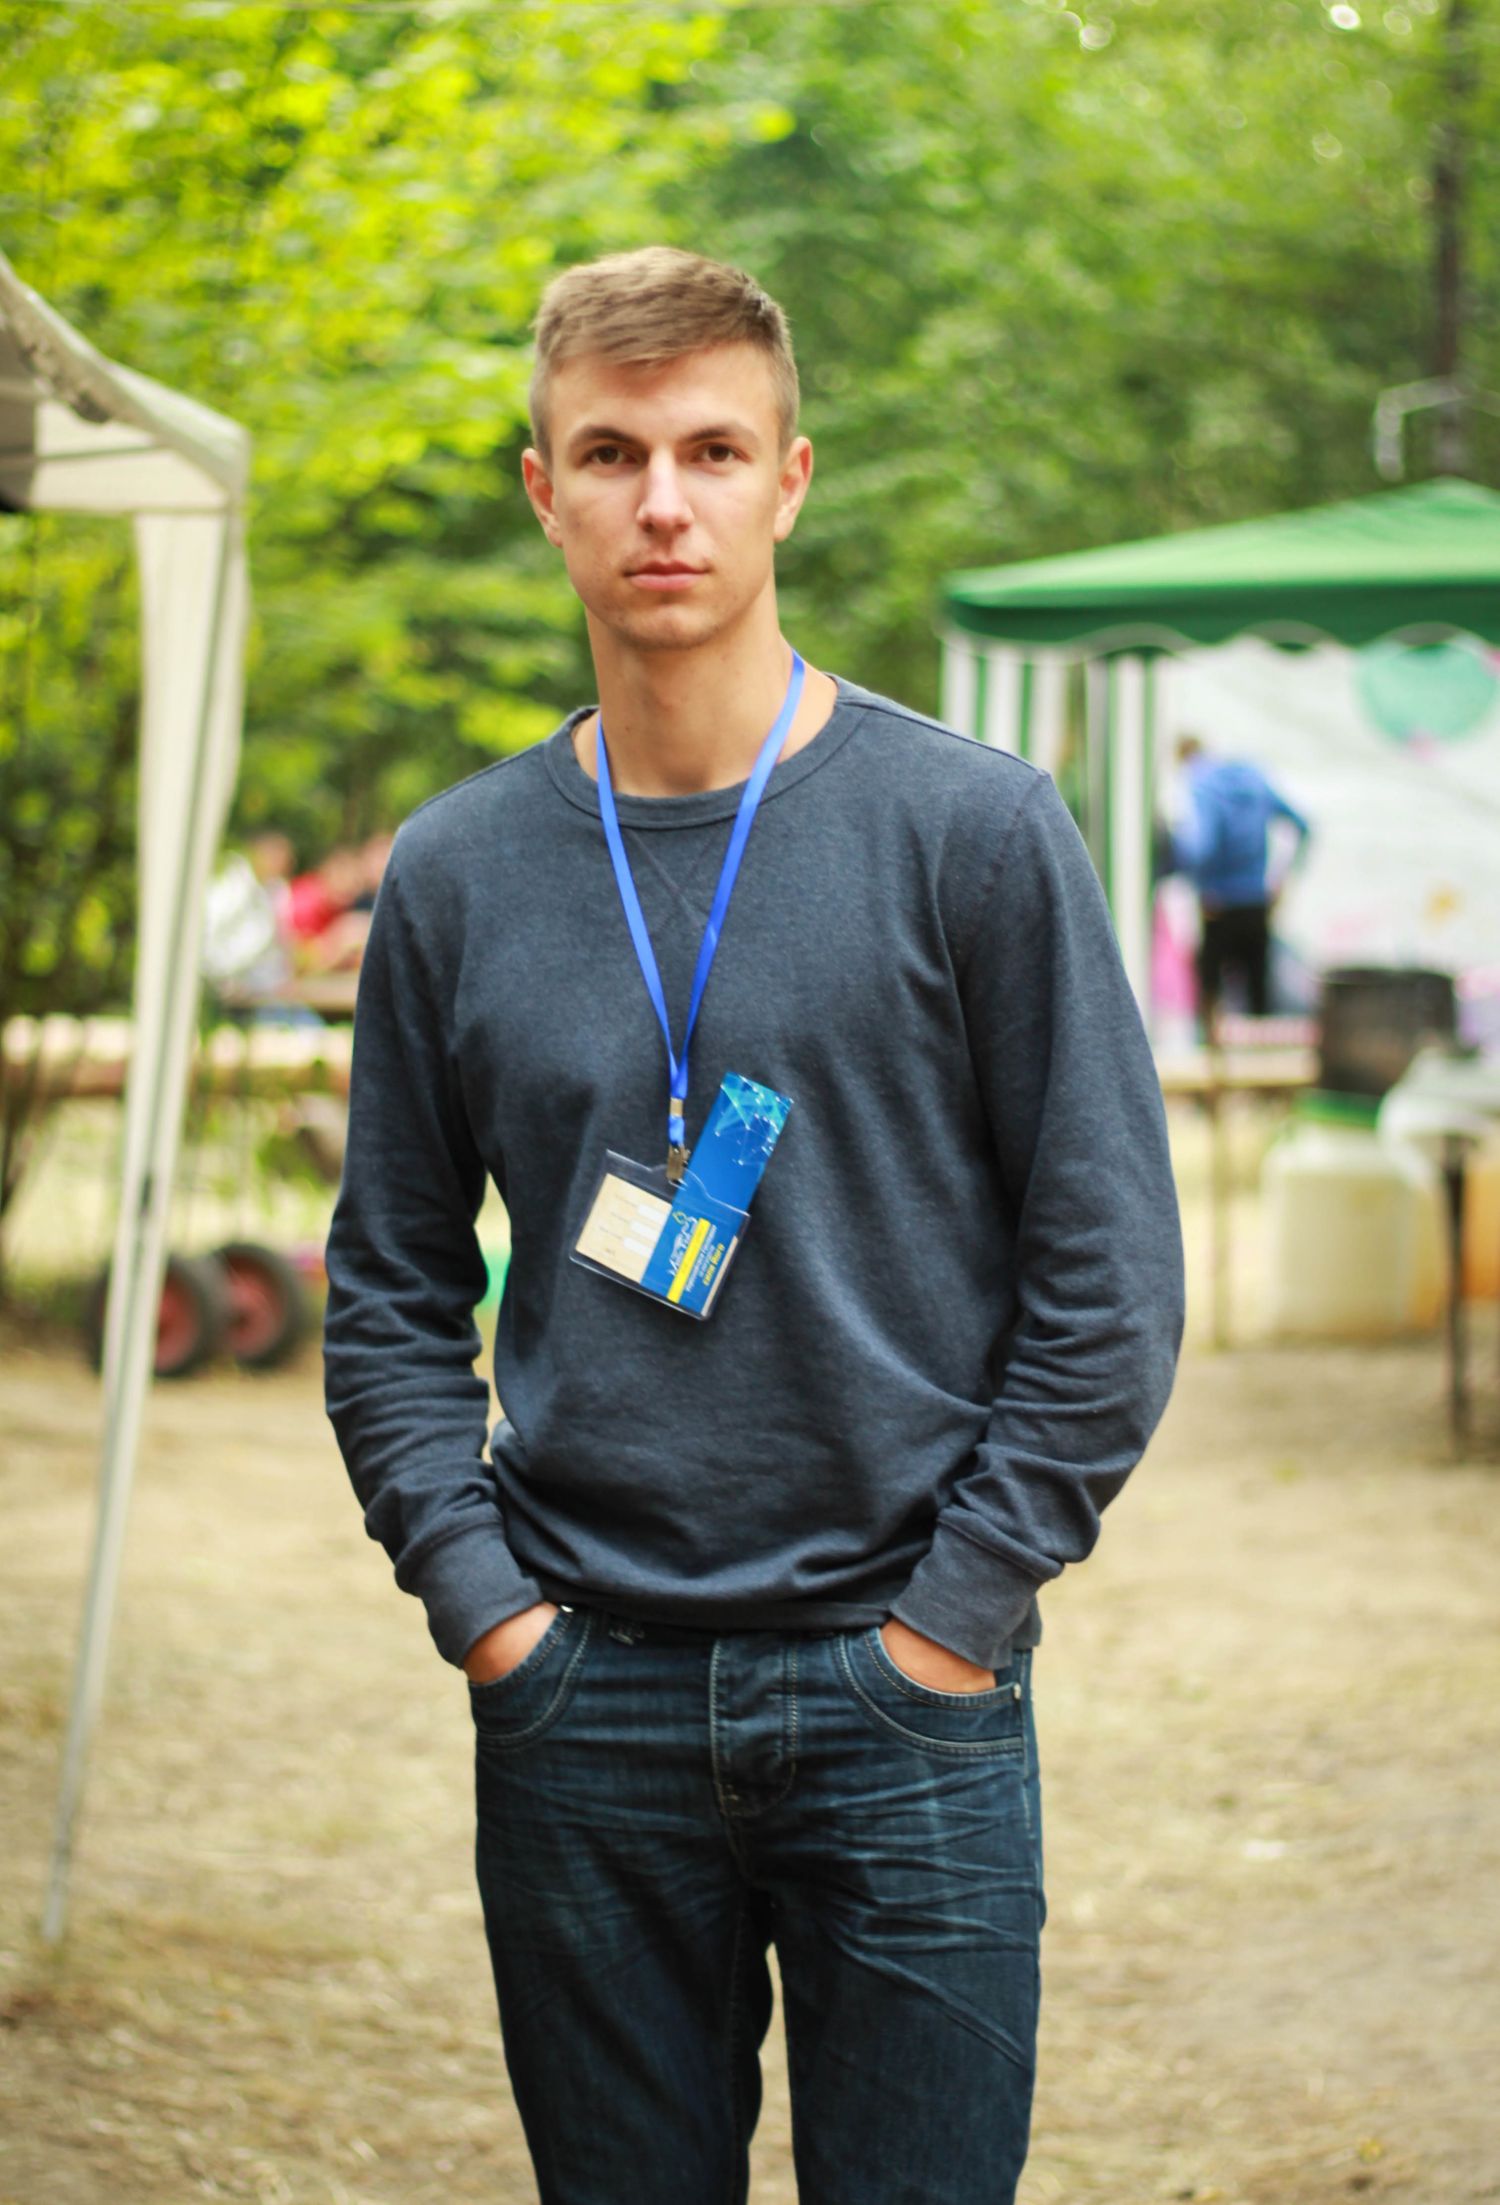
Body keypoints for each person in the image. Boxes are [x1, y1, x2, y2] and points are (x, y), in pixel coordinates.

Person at [323, 247, 1185, 2205]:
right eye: (610, 454)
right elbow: (385, 1287)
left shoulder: (971, 830)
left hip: (907, 1702)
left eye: (713, 451)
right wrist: (488, 1612)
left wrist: (953, 1623)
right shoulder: (457, 871)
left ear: (790, 480)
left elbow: (1110, 1276)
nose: (664, 502)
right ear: (543, 490)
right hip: (581, 1695)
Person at [1170, 733, 1312, 1030]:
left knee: (1210, 996)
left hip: (1218, 905)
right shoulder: (1255, 780)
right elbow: (1303, 826)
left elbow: (1203, 848)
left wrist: (1193, 876)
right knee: (1258, 996)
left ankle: (1213, 1052)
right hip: (1258, 901)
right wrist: (1283, 879)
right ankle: (1260, 1053)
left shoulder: (1202, 785)